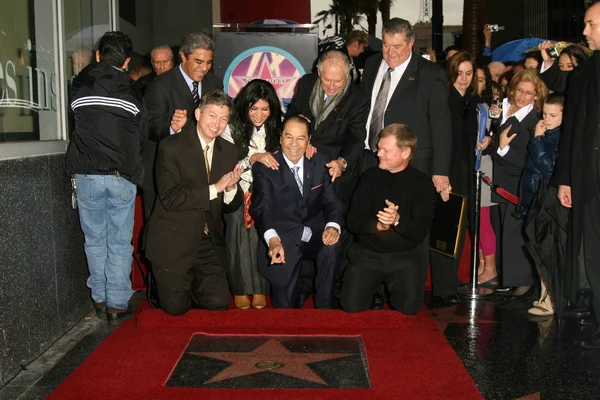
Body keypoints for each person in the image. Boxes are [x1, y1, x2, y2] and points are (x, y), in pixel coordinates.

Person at [361, 17, 452, 306]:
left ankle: (408, 293)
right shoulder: (373, 65)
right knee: (373, 221)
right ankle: (373, 290)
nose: (390, 52)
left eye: (397, 47)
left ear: (411, 44)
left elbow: (441, 125)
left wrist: (440, 171)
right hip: (372, 159)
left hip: (414, 166)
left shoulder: (430, 74)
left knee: (410, 226)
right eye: (386, 45)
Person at [65, 31, 145, 324]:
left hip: (86, 174)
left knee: (94, 240)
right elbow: (141, 134)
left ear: (98, 55)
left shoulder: (79, 84)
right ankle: (117, 303)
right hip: (120, 176)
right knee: (120, 242)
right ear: (126, 62)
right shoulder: (133, 90)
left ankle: (98, 298)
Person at [144, 91, 243, 316]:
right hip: (173, 237)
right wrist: (215, 188)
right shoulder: (171, 147)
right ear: (198, 114)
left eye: (223, 119)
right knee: (176, 309)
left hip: (206, 239)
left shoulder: (229, 151)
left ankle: (182, 283)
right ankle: (163, 280)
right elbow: (170, 198)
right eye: (212, 116)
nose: (217, 124)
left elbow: (230, 206)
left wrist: (229, 189)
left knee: (218, 302)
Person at [340, 124, 435, 314]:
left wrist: (397, 220)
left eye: (385, 149)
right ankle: (372, 290)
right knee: (349, 307)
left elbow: (419, 232)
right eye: (379, 147)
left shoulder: (422, 183)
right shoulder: (369, 177)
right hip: (368, 253)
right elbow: (352, 220)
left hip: (403, 256)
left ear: (406, 152)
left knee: (410, 310)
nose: (378, 153)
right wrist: (377, 225)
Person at [250, 116, 343, 309]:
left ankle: (325, 309)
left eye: (301, 138)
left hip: (313, 231)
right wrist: (273, 240)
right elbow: (262, 208)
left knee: (332, 245)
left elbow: (332, 202)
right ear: (280, 138)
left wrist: (333, 226)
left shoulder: (321, 161)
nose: (294, 144)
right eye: (289, 137)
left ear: (309, 141)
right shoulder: (265, 167)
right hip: (282, 238)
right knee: (285, 308)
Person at [554, 0, 600, 349]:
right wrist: (565, 178)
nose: (584, 32)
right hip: (588, 181)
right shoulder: (583, 73)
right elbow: (569, 131)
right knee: (595, 252)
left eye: (591, 24)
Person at [143, 32, 223, 219]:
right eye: (198, 62)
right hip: (164, 171)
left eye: (208, 62)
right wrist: (172, 128)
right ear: (183, 57)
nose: (204, 68)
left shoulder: (214, 83)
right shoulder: (160, 85)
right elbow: (150, 128)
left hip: (200, 171)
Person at [221, 79, 282, 309]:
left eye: (265, 109)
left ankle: (259, 288)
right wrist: (252, 160)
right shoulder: (230, 126)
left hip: (267, 191)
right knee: (237, 233)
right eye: (253, 108)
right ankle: (239, 287)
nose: (259, 114)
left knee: (262, 235)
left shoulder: (279, 125)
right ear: (245, 106)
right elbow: (225, 163)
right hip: (235, 187)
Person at [287, 50, 368, 208]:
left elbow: (356, 139)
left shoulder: (358, 99)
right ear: (318, 71)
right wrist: (302, 136)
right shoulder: (306, 83)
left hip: (333, 172)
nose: (331, 86)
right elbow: (291, 114)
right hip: (301, 166)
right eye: (326, 79)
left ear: (348, 74)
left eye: (338, 81)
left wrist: (342, 162)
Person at [491, 69, 548, 296]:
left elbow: (527, 158)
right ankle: (508, 277)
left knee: (514, 231)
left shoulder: (533, 120)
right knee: (501, 229)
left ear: (536, 96)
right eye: (520, 90)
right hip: (498, 180)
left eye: (529, 93)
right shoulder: (504, 106)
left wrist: (500, 148)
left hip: (517, 182)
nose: (522, 96)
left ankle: (521, 282)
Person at [512, 93, 564, 316]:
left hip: (548, 202)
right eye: (545, 114)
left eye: (553, 115)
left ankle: (551, 299)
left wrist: (539, 140)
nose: (548, 119)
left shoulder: (556, 137)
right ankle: (544, 295)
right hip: (535, 198)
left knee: (547, 250)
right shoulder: (545, 133)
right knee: (538, 249)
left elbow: (550, 169)